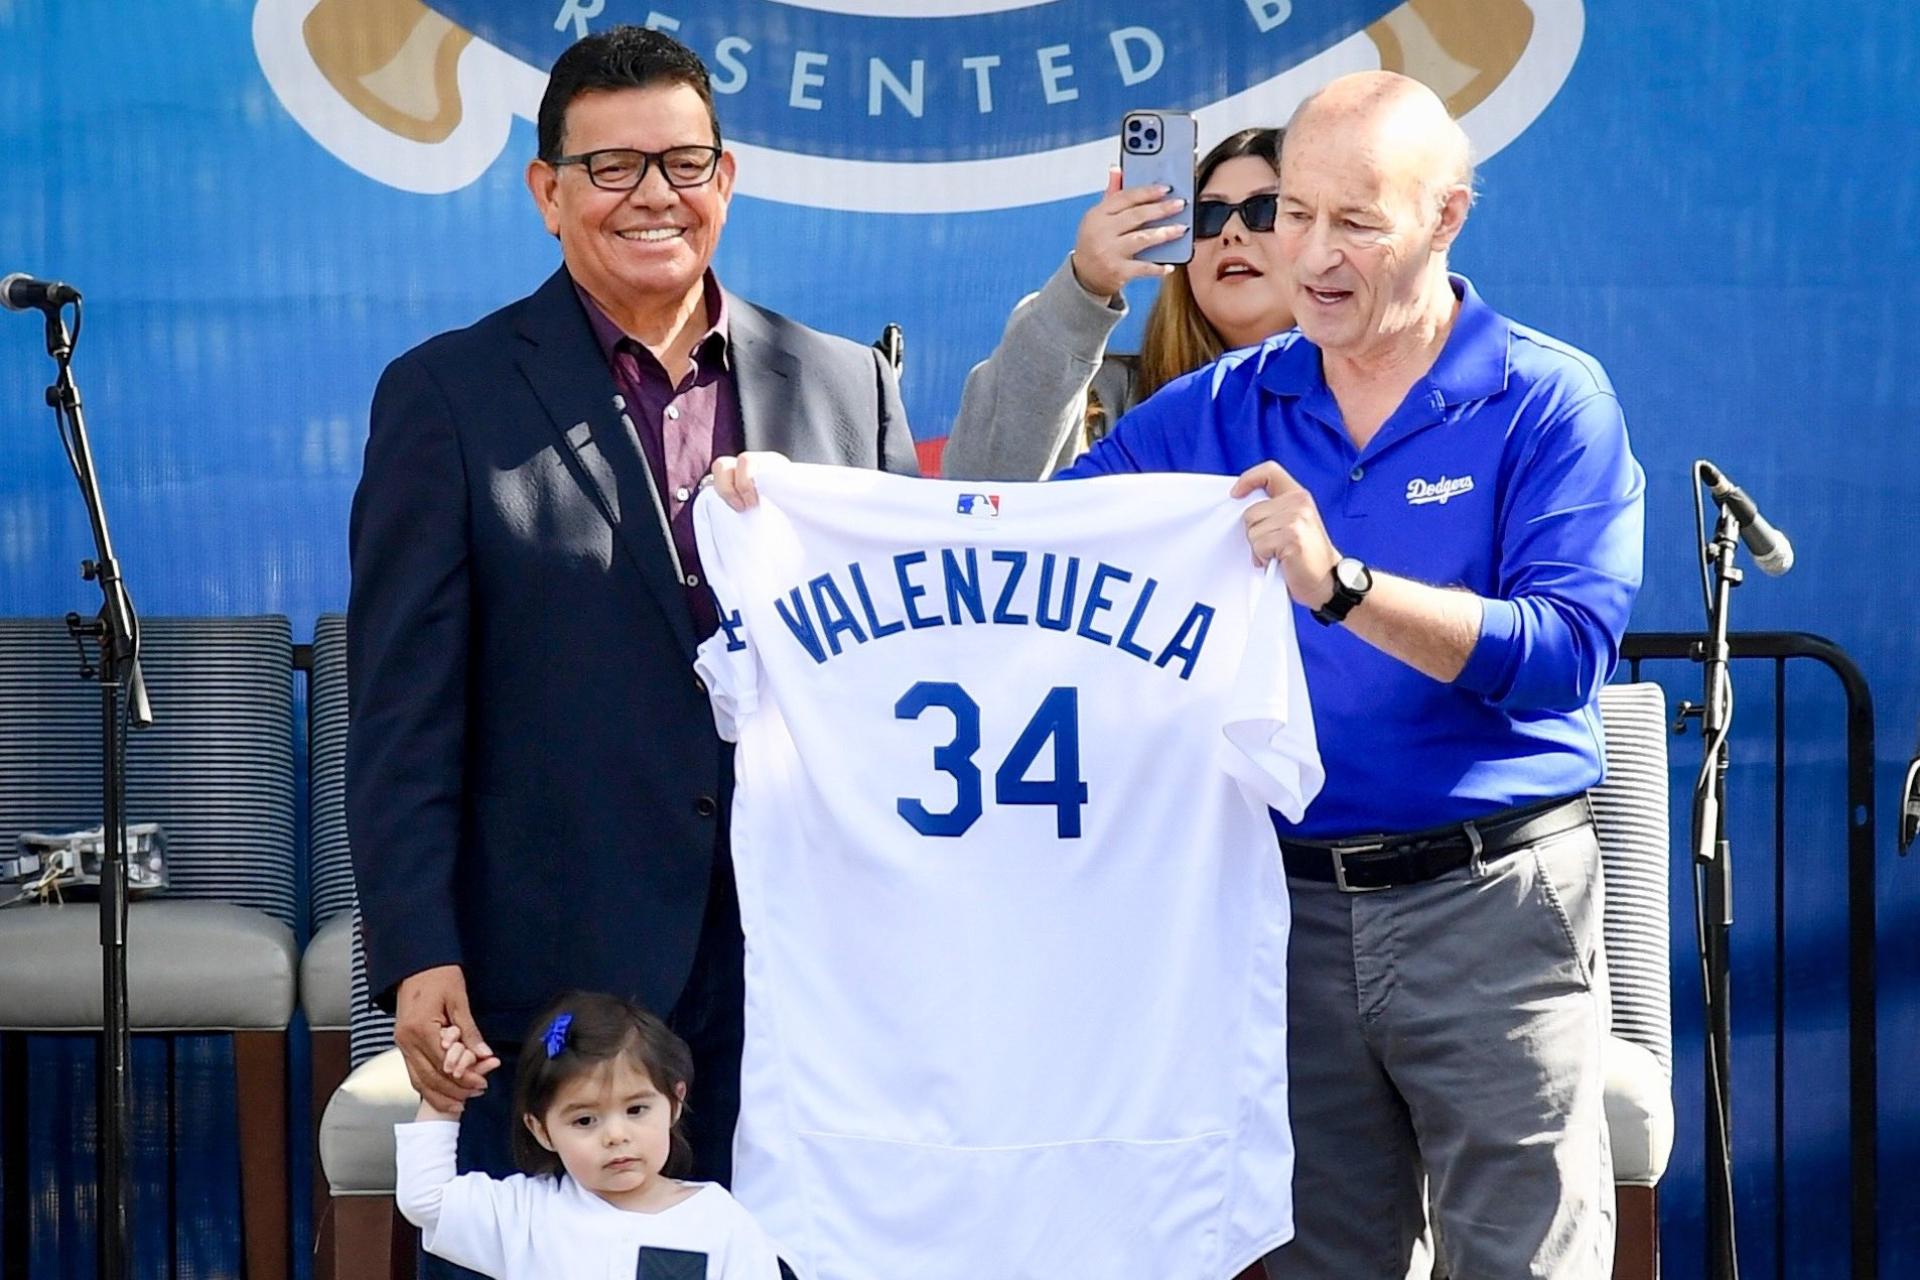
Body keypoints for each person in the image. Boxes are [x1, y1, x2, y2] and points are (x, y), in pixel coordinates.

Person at [723, 69, 1642, 1278]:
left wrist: (1344, 584)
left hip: (1492, 904)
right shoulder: (1219, 403)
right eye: (1288, 213)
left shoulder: (1547, 396)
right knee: (1320, 1260)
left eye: (1353, 221)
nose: (1306, 251)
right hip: (1282, 909)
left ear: (1447, 215)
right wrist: (792, 511)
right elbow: (1005, 533)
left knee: (1523, 1259)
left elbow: (1566, 652)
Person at [345, 26, 918, 1277]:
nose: (655, 194)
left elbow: (901, 680)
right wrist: (416, 949)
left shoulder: (846, 386)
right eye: (611, 169)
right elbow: (402, 710)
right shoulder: (448, 395)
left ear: (728, 175)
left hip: (804, 975)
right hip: (558, 969)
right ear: (547, 192)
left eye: (684, 160)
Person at [941, 127, 1294, 481]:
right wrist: (1086, 284)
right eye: (1207, 216)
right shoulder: (1108, 399)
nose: (1231, 232)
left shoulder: (1348, 410)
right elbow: (983, 494)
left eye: (1265, 209)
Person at [396, 991, 784, 1278]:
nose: (615, 1135)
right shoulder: (526, 1214)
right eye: (585, 1120)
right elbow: (426, 1201)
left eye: (636, 1110)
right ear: (541, 1130)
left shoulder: (720, 1220)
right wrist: (444, 1101)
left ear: (675, 1102)